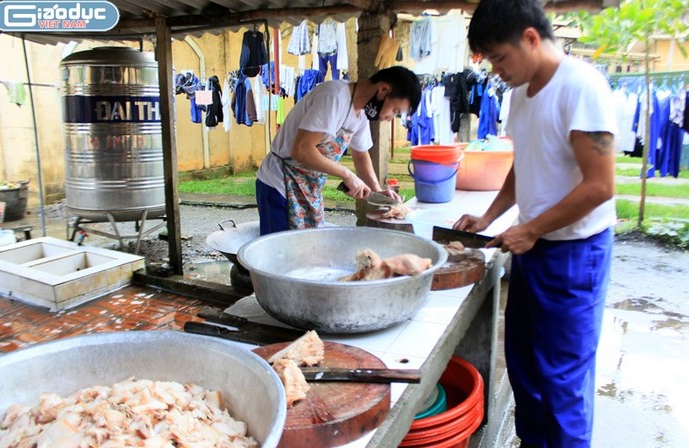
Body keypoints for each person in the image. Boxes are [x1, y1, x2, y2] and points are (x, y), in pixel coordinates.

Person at [457, 1, 617, 447]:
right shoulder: (518, 95)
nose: (497, 71)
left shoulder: (580, 86)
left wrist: (531, 228)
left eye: (500, 58)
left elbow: (600, 186)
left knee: (562, 379)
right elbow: (524, 165)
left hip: (574, 254)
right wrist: (490, 216)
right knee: (525, 365)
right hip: (534, 246)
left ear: (530, 38)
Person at [255, 66, 420, 235]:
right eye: (395, 111)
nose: (389, 118)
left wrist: (377, 190)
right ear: (383, 89)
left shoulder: (361, 113)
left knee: (307, 252)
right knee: (280, 255)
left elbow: (361, 155)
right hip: (278, 185)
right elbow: (302, 149)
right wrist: (347, 174)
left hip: (308, 190)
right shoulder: (333, 96)